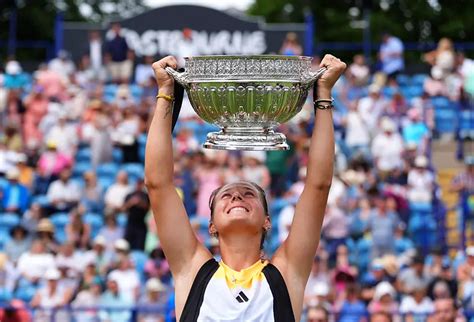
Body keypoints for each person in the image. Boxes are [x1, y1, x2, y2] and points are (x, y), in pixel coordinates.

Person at [145, 55, 346, 321]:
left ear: (266, 221)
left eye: (249, 194)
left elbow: (318, 186)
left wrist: (323, 94)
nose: (237, 195)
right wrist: (165, 92)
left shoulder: (287, 272)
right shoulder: (192, 269)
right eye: (226, 196)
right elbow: (157, 184)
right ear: (212, 224)